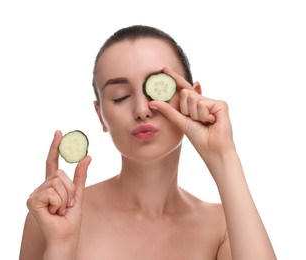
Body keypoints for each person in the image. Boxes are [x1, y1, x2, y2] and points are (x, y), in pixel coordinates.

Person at [19, 25, 276, 260]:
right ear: (101, 116)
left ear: (193, 97)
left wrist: (223, 155)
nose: (142, 110)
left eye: (157, 88)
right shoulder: (53, 215)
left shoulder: (224, 226)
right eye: (120, 97)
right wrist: (60, 247)